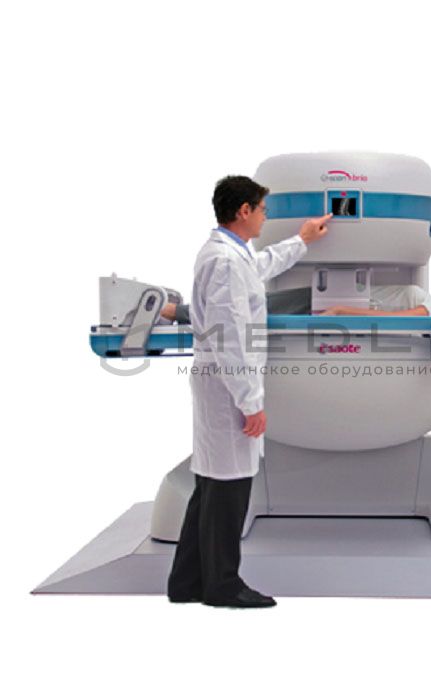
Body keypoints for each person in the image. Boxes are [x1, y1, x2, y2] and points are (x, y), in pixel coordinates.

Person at [167, 175, 331, 609]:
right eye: (262, 210)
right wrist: (250, 403)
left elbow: (259, 268)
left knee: (209, 486)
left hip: (221, 383)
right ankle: (223, 586)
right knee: (228, 489)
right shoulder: (224, 261)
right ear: (244, 211)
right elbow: (230, 339)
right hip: (228, 388)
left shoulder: (228, 255)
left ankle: (186, 582)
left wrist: (302, 240)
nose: (264, 217)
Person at [161, 282, 431, 321]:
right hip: (333, 295)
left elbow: (392, 319)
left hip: (332, 303)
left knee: (251, 305)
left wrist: (341, 310)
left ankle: (175, 311)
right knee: (254, 302)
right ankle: (183, 310)